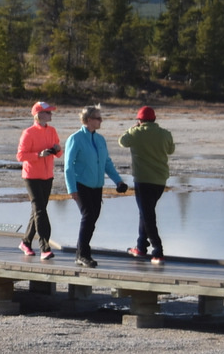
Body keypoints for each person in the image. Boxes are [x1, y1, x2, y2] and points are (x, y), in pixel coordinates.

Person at [63, 104, 128, 268]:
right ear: (89, 120)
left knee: (93, 218)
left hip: (97, 186)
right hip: (81, 184)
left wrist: (118, 181)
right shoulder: (75, 138)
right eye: (98, 118)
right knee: (88, 216)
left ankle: (81, 253)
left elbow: (107, 162)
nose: (101, 121)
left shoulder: (100, 139)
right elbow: (68, 166)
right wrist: (72, 189)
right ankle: (83, 255)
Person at [119, 106, 175, 264]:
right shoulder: (165, 134)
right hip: (160, 180)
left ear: (139, 120)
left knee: (147, 215)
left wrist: (131, 129)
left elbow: (122, 142)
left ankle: (158, 250)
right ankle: (141, 247)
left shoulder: (136, 133)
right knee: (146, 213)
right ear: (154, 119)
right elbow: (171, 150)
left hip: (143, 180)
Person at [15, 101, 61, 260]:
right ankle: (45, 247)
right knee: (40, 210)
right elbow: (20, 156)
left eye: (50, 112)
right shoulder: (28, 133)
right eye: (47, 112)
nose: (50, 114)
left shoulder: (52, 130)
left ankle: (26, 242)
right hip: (31, 176)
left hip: (47, 176)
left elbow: (59, 152)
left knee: (37, 210)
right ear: (38, 114)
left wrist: (56, 150)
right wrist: (38, 155)